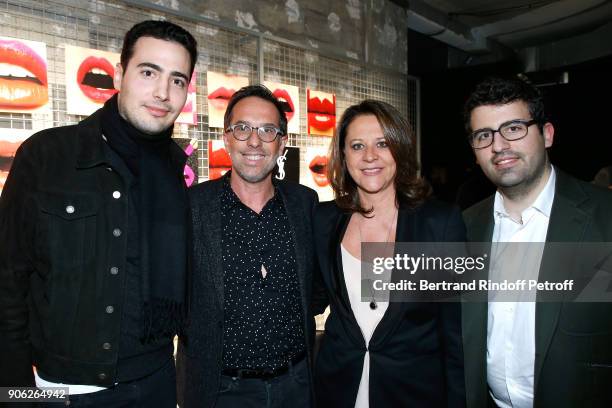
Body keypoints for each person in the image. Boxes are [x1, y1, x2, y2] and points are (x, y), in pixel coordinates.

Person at [0, 20, 197, 407]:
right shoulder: (47, 155)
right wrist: (16, 396)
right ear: (120, 74)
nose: (163, 92)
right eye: (148, 72)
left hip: (156, 382)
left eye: (177, 80)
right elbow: (6, 283)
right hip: (63, 389)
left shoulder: (177, 170)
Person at [461, 76, 612, 407]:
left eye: (513, 128)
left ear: (546, 134)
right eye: (484, 135)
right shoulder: (463, 228)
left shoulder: (605, 217)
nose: (499, 145)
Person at [312, 100, 466, 408]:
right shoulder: (324, 220)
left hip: (413, 394)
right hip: (337, 390)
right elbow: (311, 298)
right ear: (343, 155)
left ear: (400, 149)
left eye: (382, 143)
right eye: (357, 145)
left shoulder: (438, 224)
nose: (370, 156)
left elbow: (455, 335)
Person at [177, 85, 320, 408]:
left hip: (296, 386)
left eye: (267, 130)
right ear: (226, 138)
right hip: (220, 390)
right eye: (242, 128)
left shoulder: (304, 204)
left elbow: (318, 288)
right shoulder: (192, 207)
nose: (254, 141)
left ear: (282, 142)